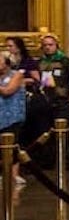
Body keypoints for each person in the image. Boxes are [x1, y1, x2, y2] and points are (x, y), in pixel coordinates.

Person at [0, 38, 28, 185]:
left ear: (6, 62)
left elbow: (8, 91)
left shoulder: (16, 75)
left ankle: (14, 175)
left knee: (12, 146)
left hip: (12, 116)